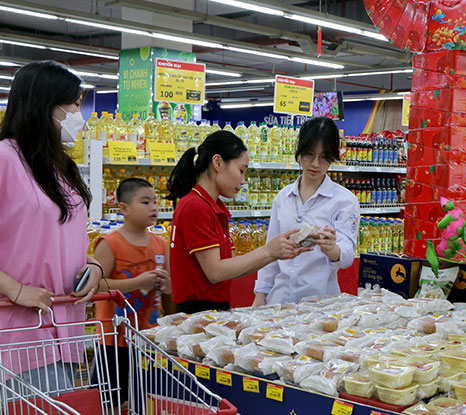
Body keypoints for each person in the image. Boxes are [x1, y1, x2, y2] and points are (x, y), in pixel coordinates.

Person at [0, 61, 102, 390]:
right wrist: (15, 290)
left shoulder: (60, 167)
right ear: (46, 105)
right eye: (73, 104)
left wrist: (94, 267)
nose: (79, 114)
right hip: (19, 330)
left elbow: (62, 240)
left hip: (66, 326)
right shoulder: (4, 159)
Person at [167, 130, 307, 314]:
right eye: (241, 171)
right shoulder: (195, 206)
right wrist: (268, 250)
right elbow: (215, 272)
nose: (243, 181)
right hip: (197, 313)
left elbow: (232, 268)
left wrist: (277, 252)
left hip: (214, 310)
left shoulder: (213, 207)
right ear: (217, 162)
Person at [253, 117, 360, 305]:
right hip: (279, 301)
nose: (315, 164)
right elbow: (271, 251)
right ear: (299, 150)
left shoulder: (345, 201)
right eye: (309, 155)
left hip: (321, 304)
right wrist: (260, 294)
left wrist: (332, 249)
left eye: (324, 158)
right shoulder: (283, 198)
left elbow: (347, 255)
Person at [93, 178, 170, 406]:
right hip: (113, 338)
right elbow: (96, 285)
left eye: (155, 201)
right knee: (109, 400)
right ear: (124, 208)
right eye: (145, 202)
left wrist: (166, 286)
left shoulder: (160, 244)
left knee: (145, 398)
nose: (154, 207)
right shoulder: (109, 243)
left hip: (149, 336)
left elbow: (167, 289)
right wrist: (135, 283)